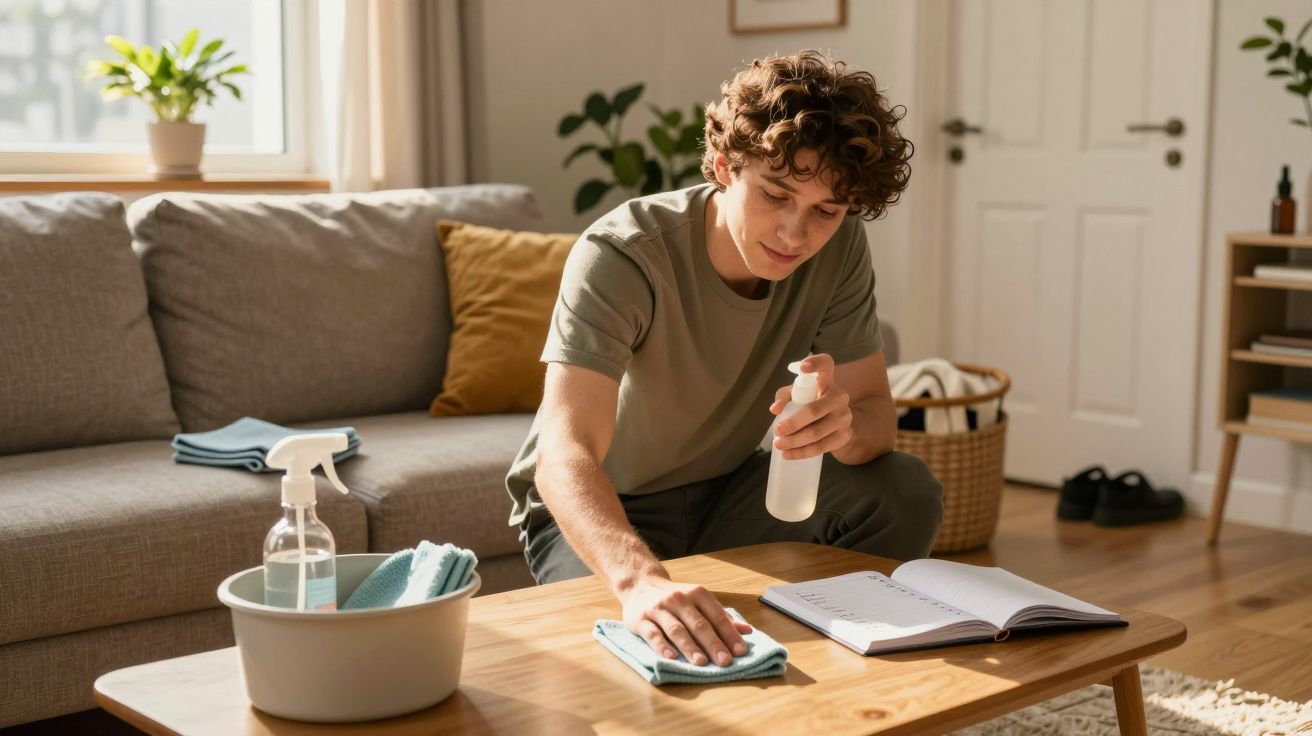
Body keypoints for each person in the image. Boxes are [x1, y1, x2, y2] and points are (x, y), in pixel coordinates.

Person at [505, 49, 943, 670]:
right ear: (723, 167)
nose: (796, 233)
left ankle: (830, 659)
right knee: (627, 658)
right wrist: (639, 582)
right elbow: (563, 454)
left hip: (729, 493)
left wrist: (843, 430)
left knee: (904, 489)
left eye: (826, 210)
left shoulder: (840, 247)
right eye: (776, 194)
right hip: (609, 504)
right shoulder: (622, 255)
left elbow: (876, 416)